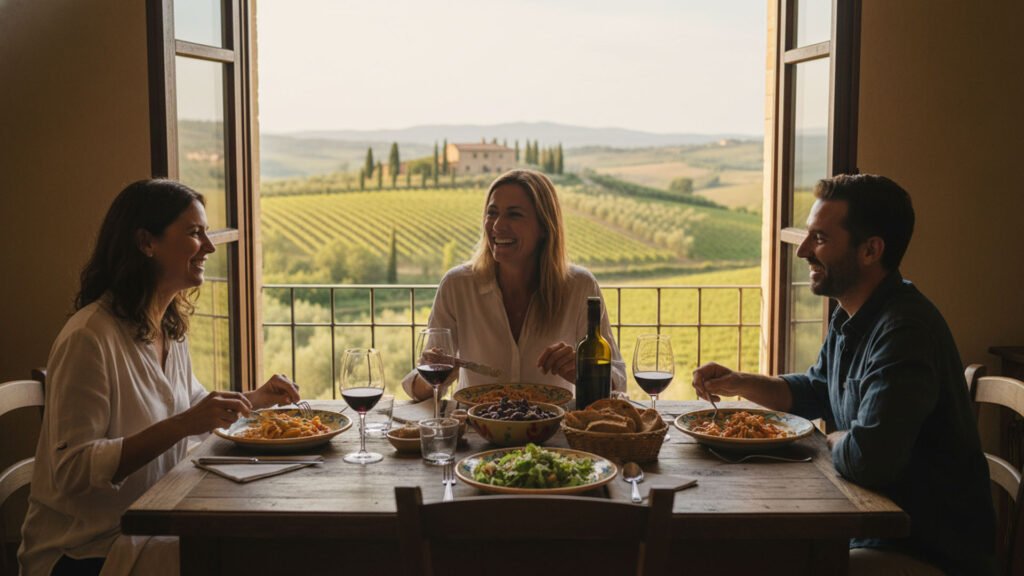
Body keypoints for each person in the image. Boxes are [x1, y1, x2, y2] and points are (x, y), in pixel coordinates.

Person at [692, 174, 995, 576]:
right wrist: (738, 382)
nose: (802, 250)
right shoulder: (850, 314)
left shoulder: (905, 331)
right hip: (865, 527)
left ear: (870, 250)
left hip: (922, 548)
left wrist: (835, 439)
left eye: (819, 238)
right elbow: (817, 389)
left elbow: (869, 460)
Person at [19, 180, 302, 576]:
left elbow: (192, 405)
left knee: (259, 544)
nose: (209, 246)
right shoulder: (89, 337)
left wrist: (256, 398)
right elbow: (72, 470)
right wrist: (186, 423)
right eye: (193, 232)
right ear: (145, 243)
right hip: (90, 549)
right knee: (252, 557)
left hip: (157, 520)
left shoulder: (166, 326)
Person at [402, 169, 625, 401]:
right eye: (492, 213)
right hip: (475, 432)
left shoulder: (580, 286)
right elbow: (418, 390)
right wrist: (434, 374)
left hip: (552, 433)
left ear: (544, 227)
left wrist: (585, 372)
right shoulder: (457, 286)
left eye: (514, 215)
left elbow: (618, 383)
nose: (498, 225)